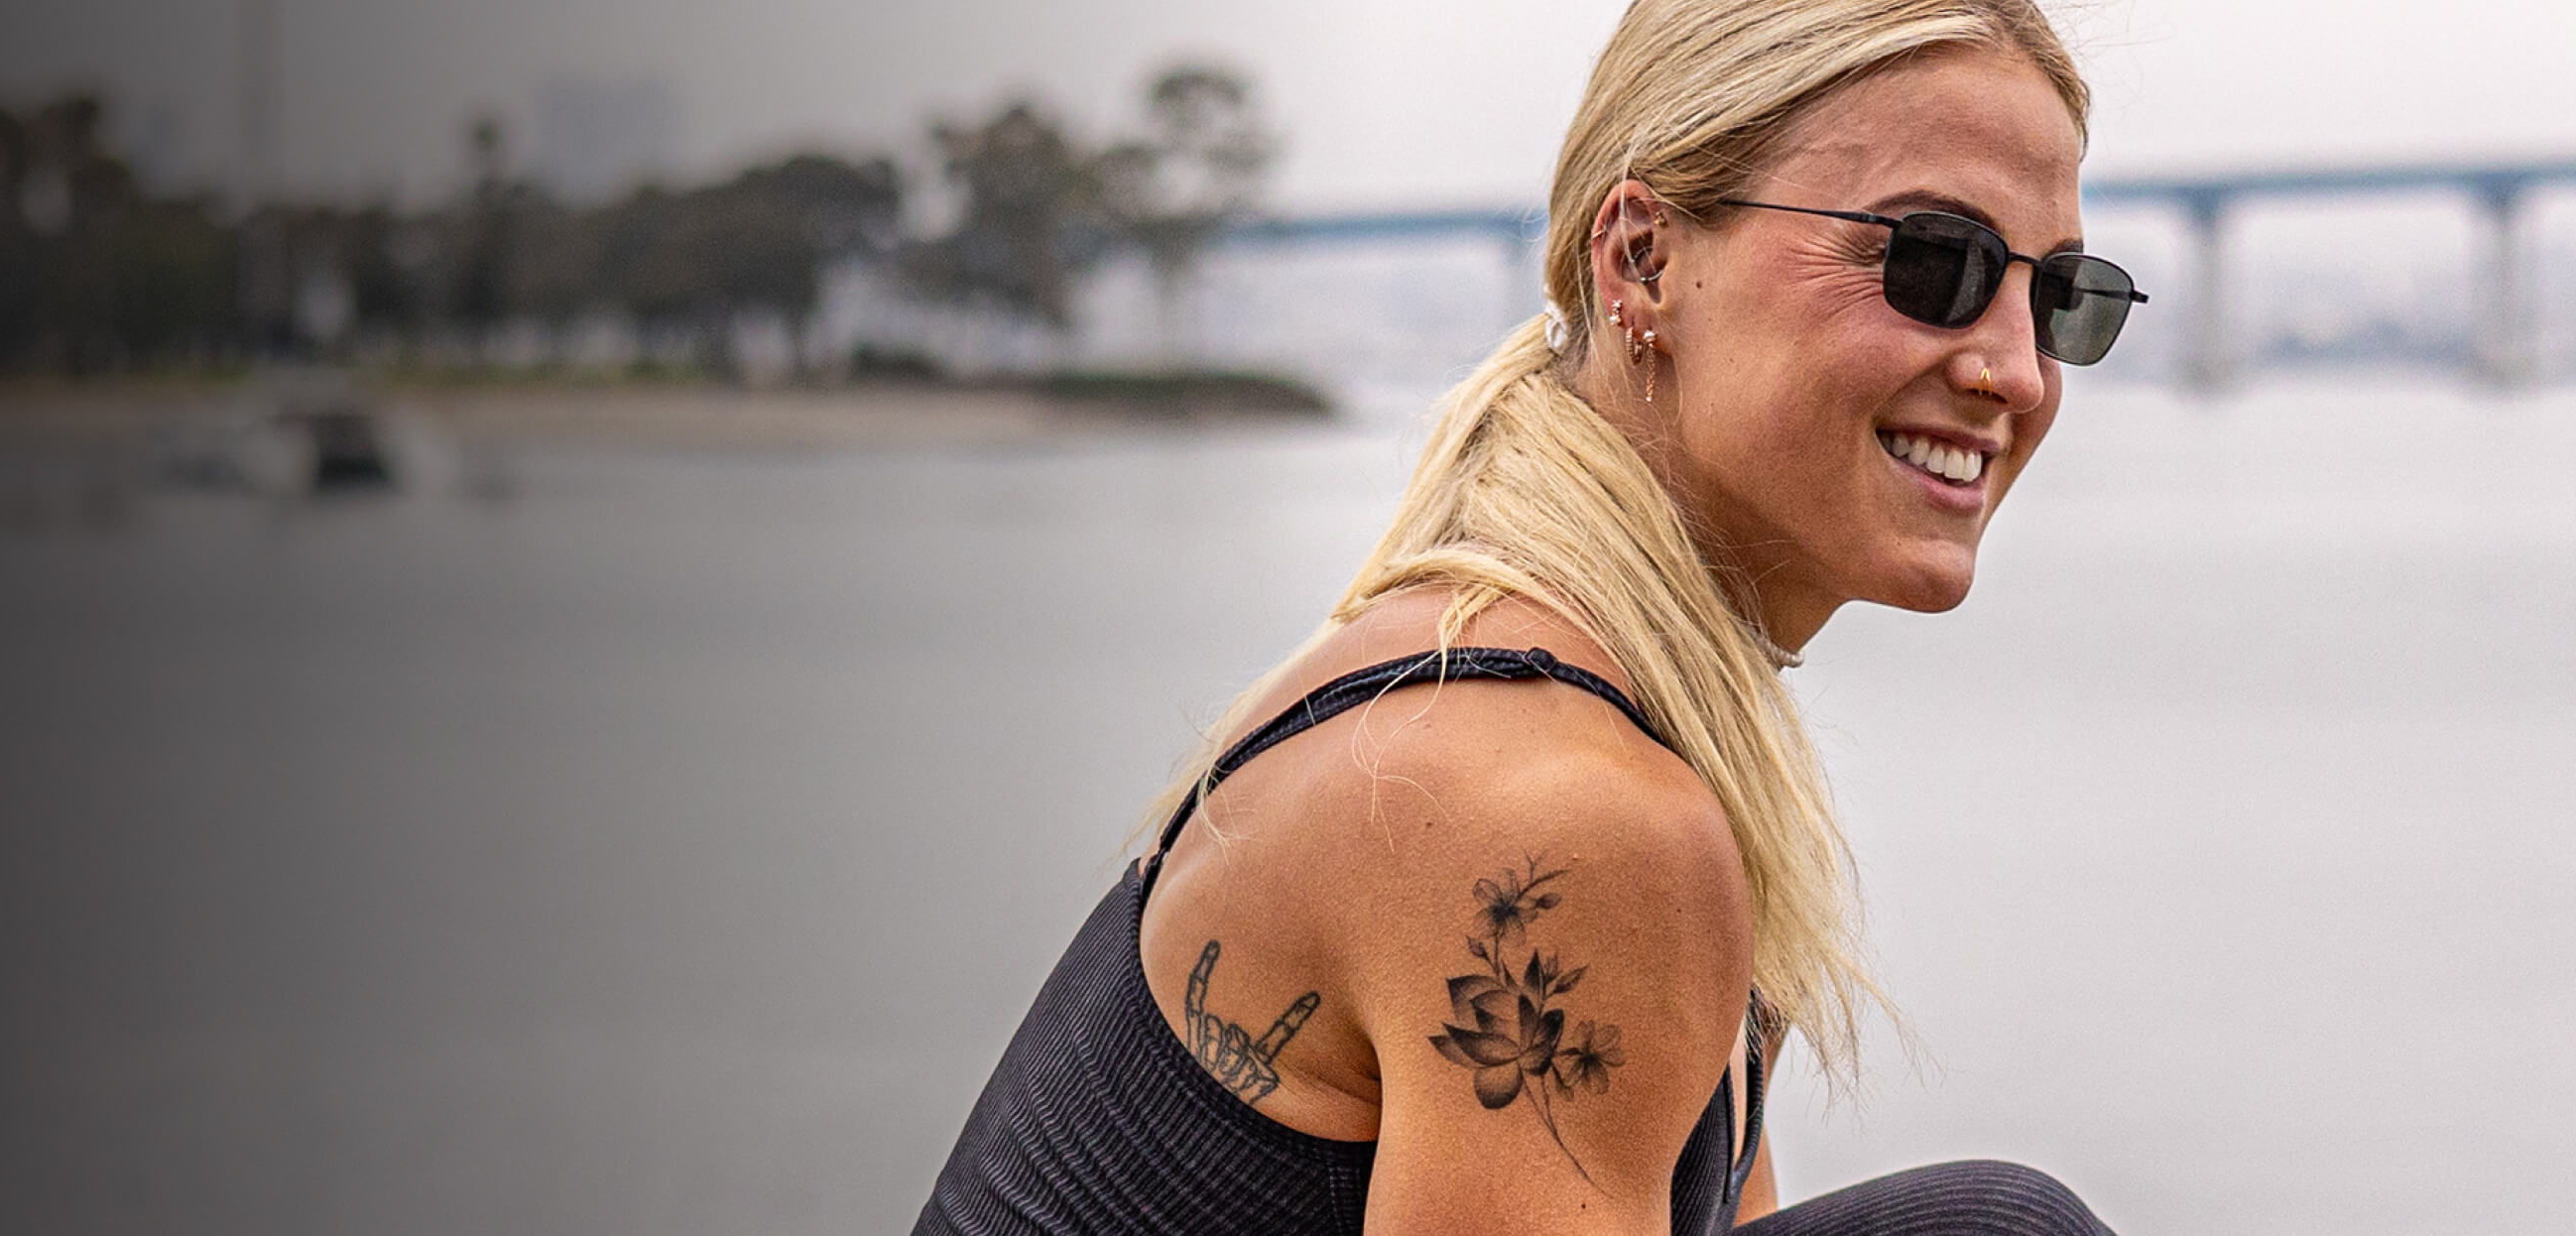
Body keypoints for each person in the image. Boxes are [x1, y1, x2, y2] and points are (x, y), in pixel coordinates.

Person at [914, 1, 2147, 1232]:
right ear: (1642, 259)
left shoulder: (1612, 702)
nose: (2017, 372)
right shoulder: (1563, 808)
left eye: (2058, 302)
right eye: (1935, 263)